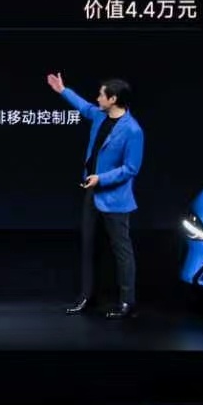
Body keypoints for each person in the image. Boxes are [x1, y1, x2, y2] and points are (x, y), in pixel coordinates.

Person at [46, 72, 144, 318]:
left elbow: (131, 168)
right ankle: (87, 297)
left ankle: (127, 302)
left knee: (122, 251)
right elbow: (83, 106)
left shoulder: (132, 130)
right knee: (88, 247)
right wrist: (62, 90)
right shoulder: (100, 115)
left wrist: (102, 178)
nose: (97, 98)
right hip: (91, 192)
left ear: (113, 99)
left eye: (101, 95)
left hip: (115, 198)